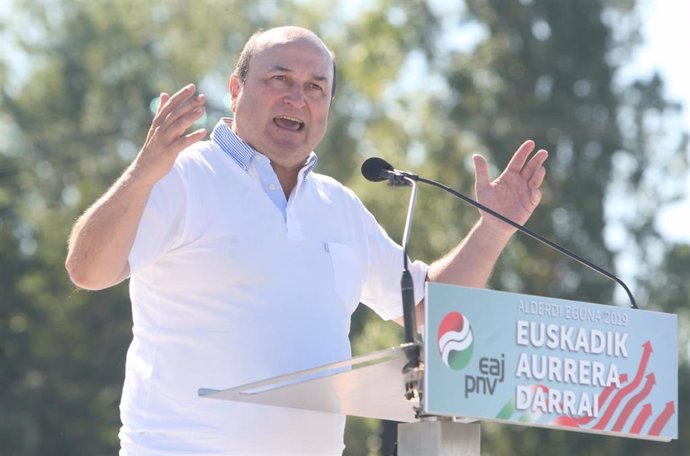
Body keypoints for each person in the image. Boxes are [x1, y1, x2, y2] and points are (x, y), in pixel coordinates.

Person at [65, 26, 548, 455]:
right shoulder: (183, 176)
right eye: (279, 79)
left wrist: (494, 229)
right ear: (236, 90)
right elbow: (87, 270)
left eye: (316, 87)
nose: (298, 97)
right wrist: (142, 173)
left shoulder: (337, 206)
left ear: (327, 109)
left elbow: (428, 309)